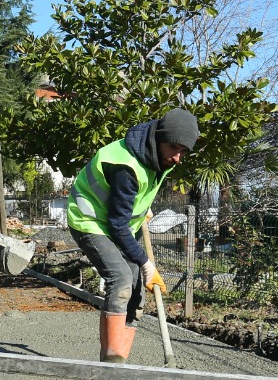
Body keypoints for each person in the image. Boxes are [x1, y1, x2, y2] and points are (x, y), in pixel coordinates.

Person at [66, 108, 198, 363]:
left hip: (117, 223)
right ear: (159, 138)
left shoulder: (158, 157)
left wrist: (142, 207)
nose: (178, 157)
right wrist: (146, 263)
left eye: (184, 152)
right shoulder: (125, 165)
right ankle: (111, 364)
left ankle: (121, 359)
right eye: (174, 148)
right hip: (90, 221)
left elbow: (134, 196)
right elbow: (117, 224)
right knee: (122, 279)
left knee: (137, 291)